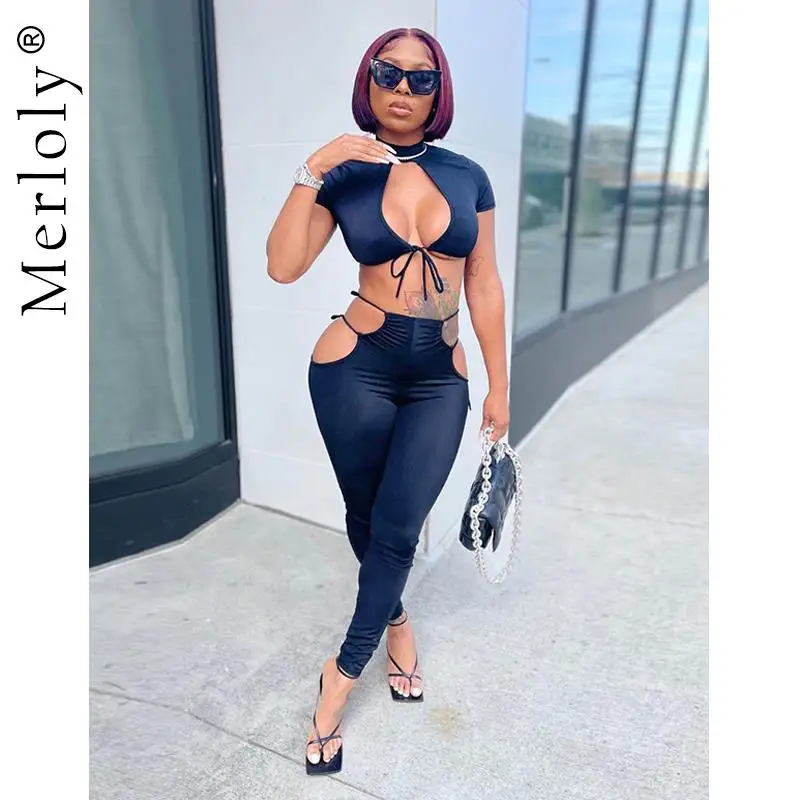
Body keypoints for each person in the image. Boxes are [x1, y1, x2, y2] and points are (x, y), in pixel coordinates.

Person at [265, 26, 510, 775]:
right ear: (368, 82)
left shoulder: (468, 176)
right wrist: (314, 167)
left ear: (439, 92)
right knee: (369, 517)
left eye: (421, 78)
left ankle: (338, 679)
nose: (404, 88)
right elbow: (282, 267)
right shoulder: (343, 174)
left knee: (399, 527)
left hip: (439, 377)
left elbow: (483, 282)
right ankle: (396, 621)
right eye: (388, 72)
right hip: (354, 369)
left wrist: (500, 384)